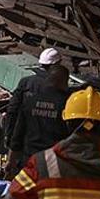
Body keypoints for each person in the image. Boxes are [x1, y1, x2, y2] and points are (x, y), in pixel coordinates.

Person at [5, 48, 69, 179]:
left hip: (29, 154)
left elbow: (13, 112)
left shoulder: (27, 84)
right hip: (53, 160)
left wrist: (8, 139)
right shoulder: (64, 97)